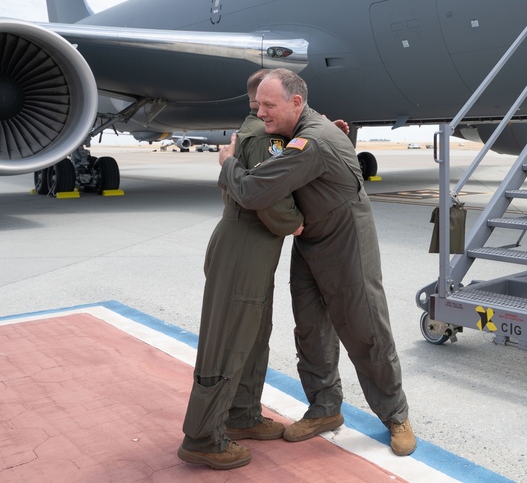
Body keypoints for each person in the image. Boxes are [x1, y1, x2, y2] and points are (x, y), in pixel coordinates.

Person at [217, 68, 416, 457]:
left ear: (295, 102)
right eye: (257, 105)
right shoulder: (305, 127)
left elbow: (256, 191)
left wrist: (228, 164)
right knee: (310, 329)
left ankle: (396, 414)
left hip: (346, 241)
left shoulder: (314, 141)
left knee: (365, 328)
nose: (261, 113)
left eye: (268, 106)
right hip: (310, 239)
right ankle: (325, 408)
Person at [178, 69, 307, 470]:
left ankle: (241, 415)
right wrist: (296, 221)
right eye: (266, 103)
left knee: (252, 334)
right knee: (229, 339)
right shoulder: (261, 139)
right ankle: (202, 437)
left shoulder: (254, 135)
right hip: (245, 245)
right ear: (258, 101)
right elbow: (267, 199)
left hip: (253, 247)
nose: (269, 110)